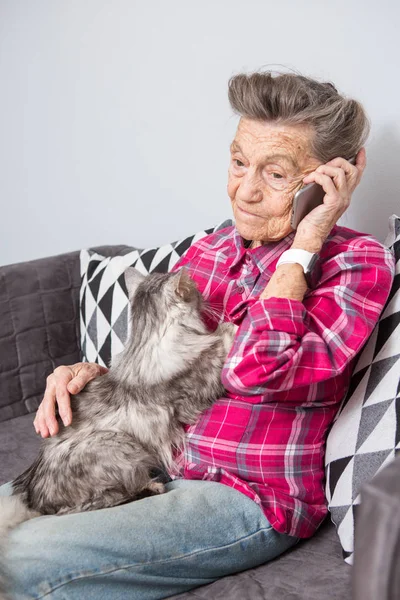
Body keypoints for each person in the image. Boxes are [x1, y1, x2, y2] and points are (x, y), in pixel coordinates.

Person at [1, 71, 395, 600]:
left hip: (246, 496)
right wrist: (89, 374)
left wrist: (305, 245)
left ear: (330, 181)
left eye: (276, 175)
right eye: (238, 162)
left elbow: (258, 370)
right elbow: (155, 373)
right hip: (150, 464)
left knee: (23, 559)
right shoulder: (209, 251)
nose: (245, 191)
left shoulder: (356, 262)